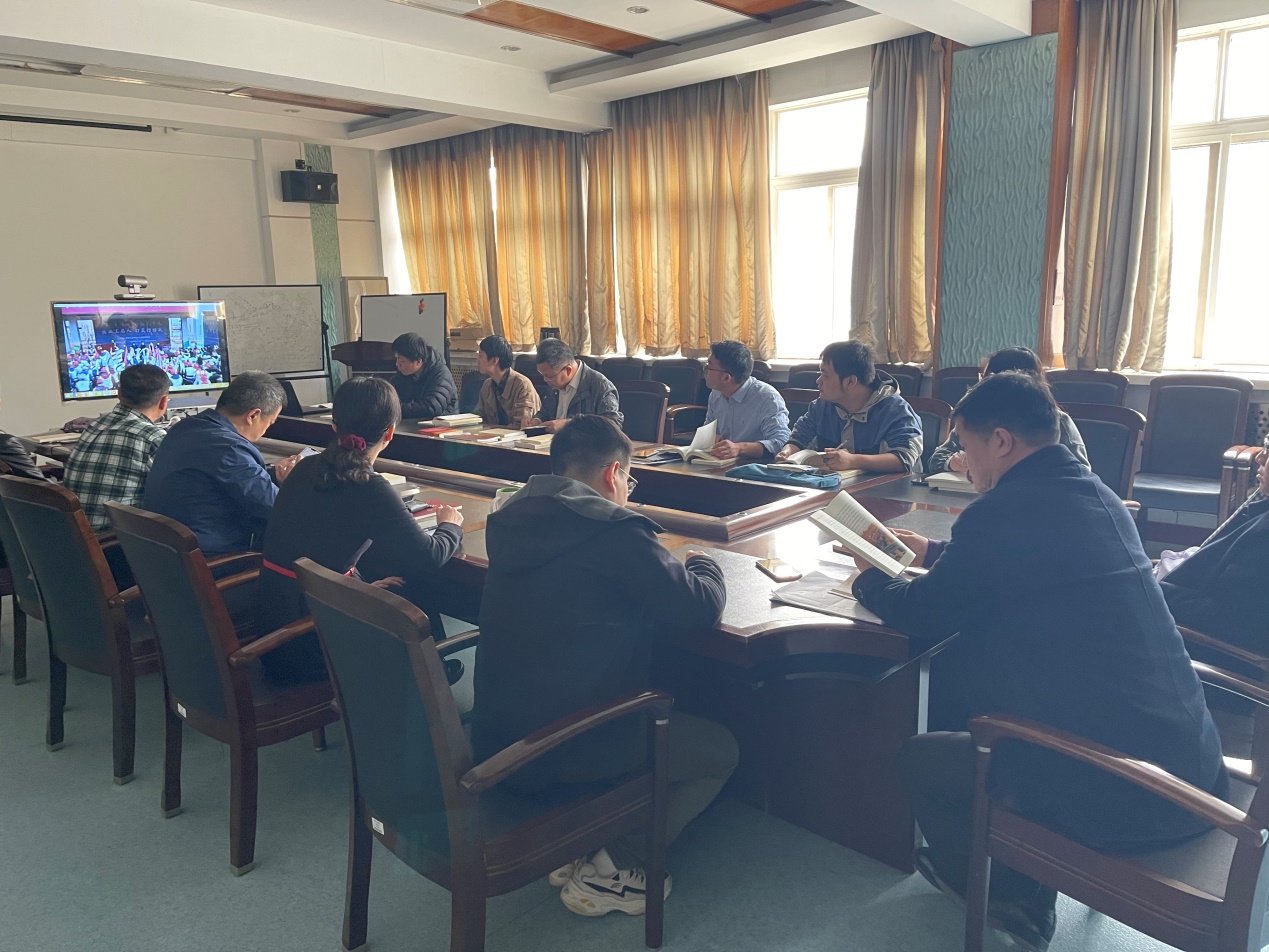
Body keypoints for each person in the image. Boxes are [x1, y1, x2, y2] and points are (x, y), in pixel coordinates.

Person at [850, 372, 1227, 950]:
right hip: (1190, 764)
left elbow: (924, 612)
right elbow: (1027, 558)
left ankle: (1011, 897)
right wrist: (932, 551)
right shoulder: (1096, 493)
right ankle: (1014, 876)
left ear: (1001, 441)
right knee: (970, 685)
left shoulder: (1001, 511)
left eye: (965, 445)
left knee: (923, 757)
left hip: (1131, 792)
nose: (962, 461)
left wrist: (868, 579)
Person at [473, 414, 736, 918]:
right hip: (569, 746)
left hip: (498, 740)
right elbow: (699, 606)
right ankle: (614, 864)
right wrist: (703, 561)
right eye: (629, 481)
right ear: (614, 473)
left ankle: (579, 838)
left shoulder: (509, 517)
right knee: (720, 751)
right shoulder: (614, 532)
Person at [257, 377, 464, 685]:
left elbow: (315, 548)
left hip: (276, 624)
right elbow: (428, 556)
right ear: (390, 432)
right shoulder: (366, 484)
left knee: (395, 581)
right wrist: (450, 525)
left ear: (334, 426)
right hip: (312, 640)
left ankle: (432, 672)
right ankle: (431, 679)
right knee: (416, 582)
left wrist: (358, 586)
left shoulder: (305, 468)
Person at [144, 371, 300, 556]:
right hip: (212, 561)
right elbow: (277, 509)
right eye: (270, 422)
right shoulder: (230, 448)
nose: (266, 429)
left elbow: (234, 479)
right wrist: (294, 482)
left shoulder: (185, 427)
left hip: (166, 554)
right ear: (253, 415)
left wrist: (274, 475)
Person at [1160, 435, 1268, 648]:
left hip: (1209, 652)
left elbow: (1234, 620)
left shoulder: (1264, 537)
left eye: (1268, 448)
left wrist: (1153, 591)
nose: (1260, 458)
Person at [927, 346, 1089, 474]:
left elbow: (1080, 471)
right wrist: (952, 462)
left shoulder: (1056, 421)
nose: (981, 386)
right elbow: (935, 460)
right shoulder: (976, 417)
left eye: (986, 379)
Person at [776, 340, 923, 473]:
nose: (818, 381)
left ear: (851, 382)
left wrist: (853, 460)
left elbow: (904, 458)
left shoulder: (896, 411)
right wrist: (787, 452)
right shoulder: (821, 406)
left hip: (892, 489)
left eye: (826, 375)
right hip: (838, 486)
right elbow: (799, 438)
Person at [63, 363, 170, 532]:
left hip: (78, 537)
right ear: (164, 402)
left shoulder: (94, 425)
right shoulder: (153, 437)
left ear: (119, 394)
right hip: (117, 540)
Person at [701, 340, 790, 460]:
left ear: (726, 378)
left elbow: (781, 442)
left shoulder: (767, 398)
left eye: (709, 367)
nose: (705, 370)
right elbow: (709, 429)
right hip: (721, 462)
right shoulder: (716, 393)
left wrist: (739, 448)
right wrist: (713, 437)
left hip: (755, 465)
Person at [525, 338, 623, 432]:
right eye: (543, 375)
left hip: (583, 443)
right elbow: (545, 412)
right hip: (550, 440)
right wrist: (537, 420)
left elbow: (612, 424)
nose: (545, 380)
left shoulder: (600, 386)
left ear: (568, 370)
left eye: (549, 376)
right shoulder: (554, 382)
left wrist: (569, 424)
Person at [475, 334, 540, 428]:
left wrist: (492, 429)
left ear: (494, 361)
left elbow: (521, 426)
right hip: (493, 436)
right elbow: (480, 418)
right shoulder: (487, 385)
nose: (477, 360)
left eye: (480, 356)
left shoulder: (522, 385)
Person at [389, 332, 457, 419]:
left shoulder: (441, 374)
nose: (397, 364)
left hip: (440, 423)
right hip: (413, 423)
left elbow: (431, 408)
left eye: (402, 361)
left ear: (418, 361)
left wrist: (394, 409)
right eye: (397, 359)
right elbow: (390, 397)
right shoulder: (404, 374)